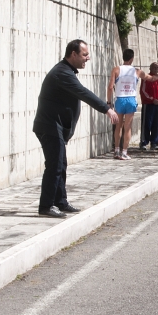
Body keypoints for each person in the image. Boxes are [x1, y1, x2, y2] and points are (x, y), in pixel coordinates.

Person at [34, 40, 119, 218]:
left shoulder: (67, 71)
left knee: (61, 164)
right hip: (49, 126)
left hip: (54, 126)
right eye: (84, 55)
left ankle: (60, 202)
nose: (87, 58)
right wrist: (107, 108)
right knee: (54, 166)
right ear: (73, 54)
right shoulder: (62, 73)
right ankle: (46, 206)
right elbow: (83, 93)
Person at [108, 49, 158, 160]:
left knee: (118, 127)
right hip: (131, 99)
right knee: (128, 127)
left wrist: (109, 102)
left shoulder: (116, 69)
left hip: (119, 99)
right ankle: (124, 152)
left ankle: (117, 150)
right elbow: (151, 78)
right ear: (132, 59)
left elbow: (110, 87)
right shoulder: (137, 71)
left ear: (123, 57)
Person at [139, 62, 158, 151]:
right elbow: (143, 91)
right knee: (146, 124)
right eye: (154, 68)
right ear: (150, 68)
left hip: (157, 105)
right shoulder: (147, 78)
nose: (156, 70)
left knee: (155, 124)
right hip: (148, 104)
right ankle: (144, 142)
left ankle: (154, 143)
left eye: (157, 68)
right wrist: (152, 99)